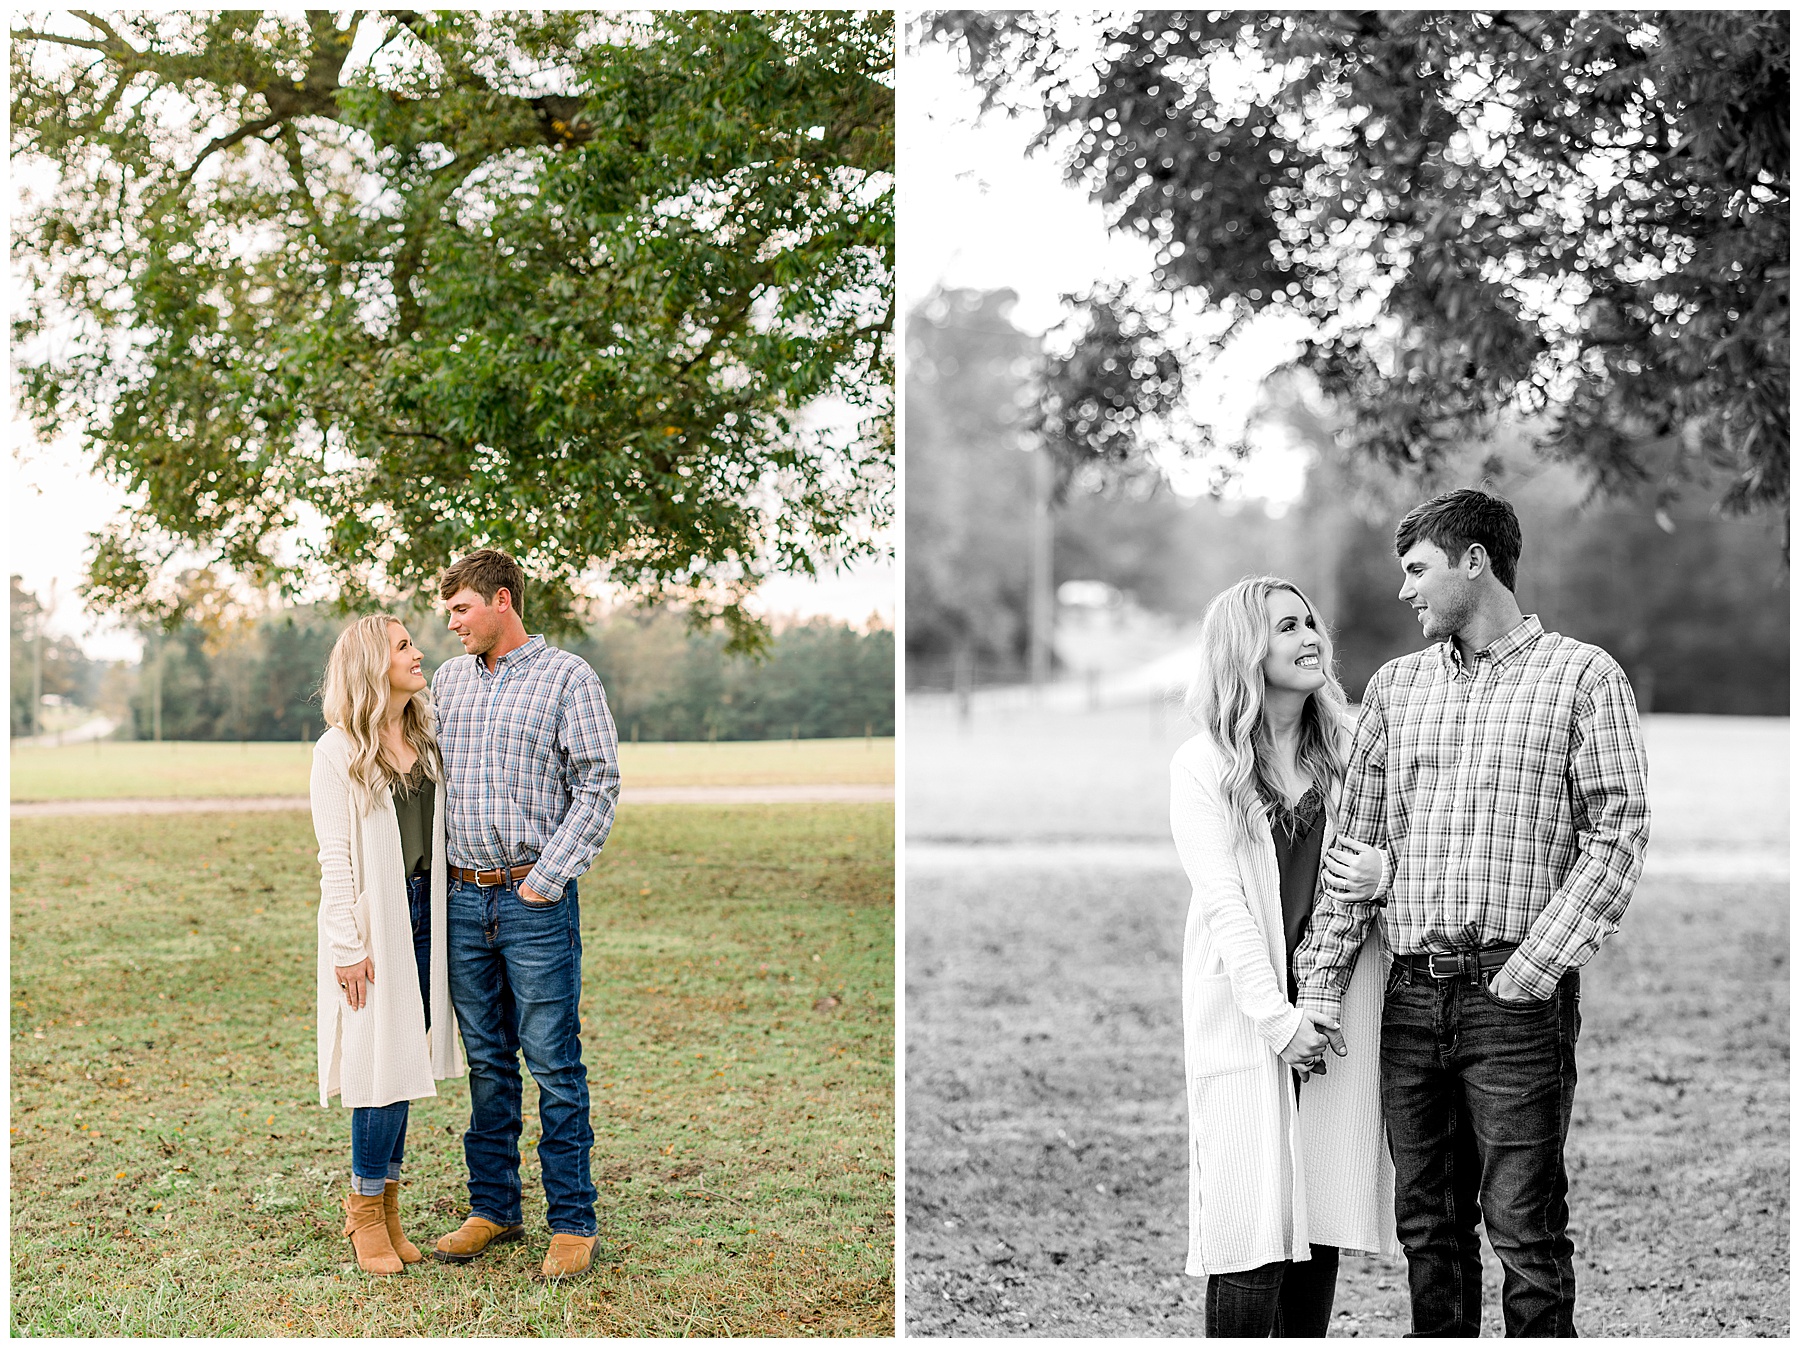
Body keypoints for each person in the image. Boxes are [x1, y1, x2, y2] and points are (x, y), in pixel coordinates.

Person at [1296, 488, 1651, 1337]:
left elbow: (1617, 832)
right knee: (1429, 1230)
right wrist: (1320, 988)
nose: (1405, 590)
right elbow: (1353, 851)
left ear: (1475, 562)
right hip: (1411, 997)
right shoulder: (1396, 689)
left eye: (1418, 570)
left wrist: (1531, 971)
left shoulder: (1583, 677)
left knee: (1527, 1231)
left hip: (1515, 1001)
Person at [1170, 575, 1397, 1337]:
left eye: (1310, 623)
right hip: (1248, 1011)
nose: (1310, 638)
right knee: (1250, 1226)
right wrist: (1275, 1019)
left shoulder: (1352, 752)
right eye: (1286, 627)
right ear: (1244, 650)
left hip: (1336, 1007)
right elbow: (1225, 907)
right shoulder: (1204, 764)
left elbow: (1408, 853)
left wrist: (1384, 874)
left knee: (1317, 1215)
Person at [427, 548, 622, 1280]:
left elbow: (598, 784)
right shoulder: (448, 682)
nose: (452, 624)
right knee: (486, 1063)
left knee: (553, 1063)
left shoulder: (568, 677)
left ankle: (571, 1221)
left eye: (461, 609)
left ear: (501, 600)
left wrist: (544, 881)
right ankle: (493, 1208)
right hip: (461, 898)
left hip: (532, 899)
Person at [312, 613, 465, 1276]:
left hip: (429, 913)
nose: (418, 652)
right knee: (377, 1063)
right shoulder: (338, 750)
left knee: (404, 1060)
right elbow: (335, 858)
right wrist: (347, 946)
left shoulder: (426, 735)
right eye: (404, 646)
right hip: (376, 921)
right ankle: (364, 1213)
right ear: (375, 664)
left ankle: (390, 1210)